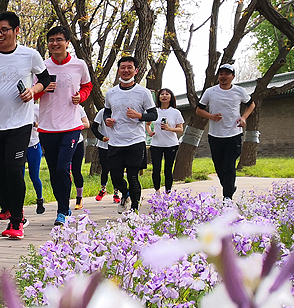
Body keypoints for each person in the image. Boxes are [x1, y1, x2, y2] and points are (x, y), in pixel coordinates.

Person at [0, 11, 50, 240]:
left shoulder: (30, 55)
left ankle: (17, 221)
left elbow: (46, 80)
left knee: (13, 169)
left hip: (20, 123)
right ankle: (7, 207)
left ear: (16, 31)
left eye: (4, 30)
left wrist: (33, 91)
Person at [36, 26, 92, 225]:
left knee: (62, 168)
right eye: (51, 40)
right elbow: (31, 94)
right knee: (53, 171)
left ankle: (62, 211)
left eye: (59, 39)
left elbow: (87, 85)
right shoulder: (41, 67)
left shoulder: (79, 65)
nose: (55, 43)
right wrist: (42, 89)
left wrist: (81, 96)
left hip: (71, 126)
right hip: (47, 127)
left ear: (68, 42)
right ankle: (64, 205)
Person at [102, 56, 158, 213]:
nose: (126, 70)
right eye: (123, 67)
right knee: (116, 178)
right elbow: (107, 111)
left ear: (136, 71)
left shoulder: (143, 92)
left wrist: (139, 116)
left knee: (133, 176)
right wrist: (107, 120)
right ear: (118, 70)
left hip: (135, 140)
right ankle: (125, 194)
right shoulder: (111, 92)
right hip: (115, 141)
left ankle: (134, 209)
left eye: (129, 67)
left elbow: (153, 115)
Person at [196, 65, 255, 201]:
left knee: (229, 165)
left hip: (234, 134)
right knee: (219, 167)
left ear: (232, 77)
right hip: (215, 135)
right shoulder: (210, 92)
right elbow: (199, 110)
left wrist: (243, 117)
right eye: (221, 74)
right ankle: (229, 187)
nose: (223, 76)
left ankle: (227, 197)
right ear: (218, 77)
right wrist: (211, 116)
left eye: (227, 74)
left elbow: (251, 104)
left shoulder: (239, 91)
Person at [148, 87, 185, 193]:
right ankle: (157, 191)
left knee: (168, 170)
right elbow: (147, 124)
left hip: (171, 144)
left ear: (171, 97)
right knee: (156, 169)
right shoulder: (155, 111)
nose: (164, 96)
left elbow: (180, 129)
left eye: (167, 94)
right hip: (156, 144)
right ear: (158, 97)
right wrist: (150, 132)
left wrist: (169, 128)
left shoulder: (175, 112)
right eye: (162, 94)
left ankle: (168, 192)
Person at [27, 104, 45, 215]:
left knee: (34, 176)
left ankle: (40, 200)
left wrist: (33, 124)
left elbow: (43, 124)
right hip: (18, 145)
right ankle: (17, 206)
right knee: (18, 176)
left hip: (33, 144)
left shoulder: (36, 108)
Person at [71, 113, 87, 209]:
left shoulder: (78, 108)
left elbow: (87, 124)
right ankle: (63, 200)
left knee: (76, 171)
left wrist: (74, 124)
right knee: (62, 171)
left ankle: (79, 198)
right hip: (61, 142)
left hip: (77, 142)